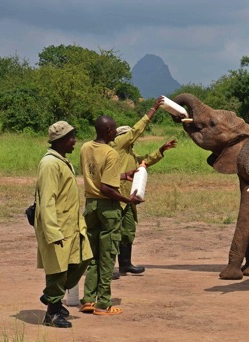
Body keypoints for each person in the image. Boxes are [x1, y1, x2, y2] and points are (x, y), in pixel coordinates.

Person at [79, 115, 142, 316]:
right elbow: (106, 188)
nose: (115, 133)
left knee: (94, 255)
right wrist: (127, 200)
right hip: (108, 209)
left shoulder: (85, 148)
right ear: (107, 132)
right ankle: (103, 303)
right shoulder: (111, 153)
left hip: (90, 206)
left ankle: (88, 299)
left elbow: (97, 178)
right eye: (114, 130)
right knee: (107, 256)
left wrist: (123, 175)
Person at [34, 121, 93, 328]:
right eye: (71, 138)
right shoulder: (50, 164)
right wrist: (52, 232)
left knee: (82, 259)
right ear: (60, 141)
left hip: (72, 224)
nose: (74, 141)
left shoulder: (62, 161)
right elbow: (47, 200)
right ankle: (52, 311)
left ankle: (51, 296)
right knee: (58, 269)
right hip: (58, 226)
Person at [109, 96, 177, 277]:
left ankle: (125, 264)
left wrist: (161, 150)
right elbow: (137, 129)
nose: (130, 137)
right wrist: (153, 108)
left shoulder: (129, 152)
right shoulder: (116, 146)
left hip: (129, 197)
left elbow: (143, 161)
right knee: (113, 232)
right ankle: (108, 268)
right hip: (115, 196)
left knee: (128, 231)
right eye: (127, 135)